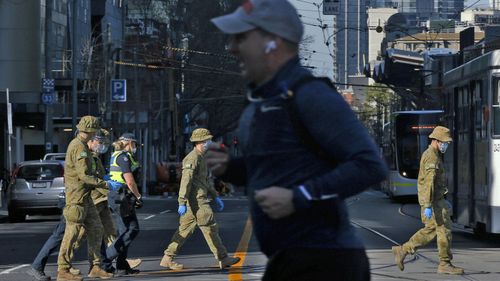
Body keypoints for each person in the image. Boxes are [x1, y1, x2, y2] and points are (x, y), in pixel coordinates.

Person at [207, 1, 388, 280]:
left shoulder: (308, 95)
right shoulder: (263, 99)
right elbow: (282, 167)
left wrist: (300, 196)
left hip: (325, 261)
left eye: (241, 37)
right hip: (289, 258)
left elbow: (369, 165)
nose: (231, 47)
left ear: (273, 42)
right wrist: (232, 168)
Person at [159, 128, 240, 270]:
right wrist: (181, 202)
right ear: (201, 142)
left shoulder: (201, 157)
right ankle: (223, 258)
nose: (210, 143)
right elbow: (186, 181)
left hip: (195, 201)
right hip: (197, 200)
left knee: (184, 231)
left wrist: (215, 196)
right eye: (207, 141)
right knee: (210, 227)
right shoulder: (193, 158)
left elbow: (206, 181)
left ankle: (168, 258)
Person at [392, 126, 464, 275]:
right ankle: (443, 263)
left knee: (435, 230)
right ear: (436, 140)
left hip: (436, 200)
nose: (446, 145)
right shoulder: (431, 156)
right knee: (442, 230)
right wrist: (427, 205)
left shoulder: (433, 154)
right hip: (434, 201)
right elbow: (429, 181)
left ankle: (405, 250)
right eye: (444, 142)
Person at [56, 116, 116, 281]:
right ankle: (63, 270)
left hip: (86, 197)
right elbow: (84, 175)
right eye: (95, 130)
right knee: (72, 233)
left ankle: (95, 267)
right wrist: (105, 184)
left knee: (96, 229)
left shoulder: (82, 146)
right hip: (76, 198)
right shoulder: (79, 148)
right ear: (90, 130)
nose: (97, 134)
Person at [102, 133, 143, 276]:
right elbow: (130, 180)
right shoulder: (123, 157)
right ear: (129, 143)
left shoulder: (118, 155)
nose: (136, 147)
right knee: (132, 229)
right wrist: (138, 196)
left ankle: (121, 266)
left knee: (125, 230)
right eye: (135, 144)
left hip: (120, 195)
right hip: (121, 195)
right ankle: (105, 260)